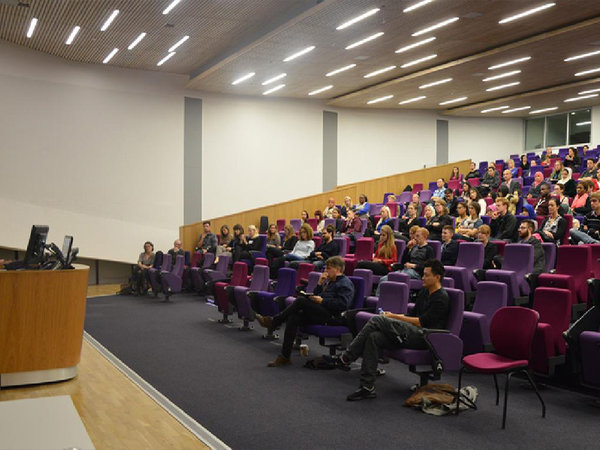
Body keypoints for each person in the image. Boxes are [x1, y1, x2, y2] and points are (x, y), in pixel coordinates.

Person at [339, 259, 449, 401]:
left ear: (437, 277)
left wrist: (394, 317)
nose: (422, 278)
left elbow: (422, 322)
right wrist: (394, 317)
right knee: (374, 336)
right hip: (412, 332)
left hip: (426, 337)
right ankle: (367, 387)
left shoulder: (441, 298)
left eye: (426, 275)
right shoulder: (424, 292)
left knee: (377, 320)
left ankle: (348, 356)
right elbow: (411, 316)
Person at [256, 256, 355, 367]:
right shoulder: (330, 282)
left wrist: (322, 301)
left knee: (300, 301)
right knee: (294, 317)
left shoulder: (345, 284)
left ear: (337, 269)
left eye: (328, 268)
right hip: (322, 312)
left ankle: (274, 321)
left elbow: (343, 305)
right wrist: (319, 284)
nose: (326, 271)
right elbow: (319, 296)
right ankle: (285, 356)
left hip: (333, 316)